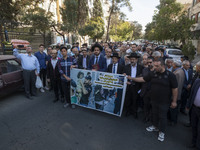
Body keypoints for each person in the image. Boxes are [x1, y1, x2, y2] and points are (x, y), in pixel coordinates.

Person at [128, 58, 178, 142]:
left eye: (157, 66)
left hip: (164, 101)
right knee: (154, 114)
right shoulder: (153, 73)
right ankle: (155, 126)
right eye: (154, 65)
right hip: (154, 99)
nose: (154, 67)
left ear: (162, 66)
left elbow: (175, 89)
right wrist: (131, 78)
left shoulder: (170, 75)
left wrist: (174, 101)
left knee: (162, 116)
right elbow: (143, 79)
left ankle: (161, 132)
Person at [123, 52, 143, 118]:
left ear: (137, 60)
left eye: (134, 59)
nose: (132, 61)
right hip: (128, 86)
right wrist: (125, 77)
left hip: (136, 86)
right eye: (131, 59)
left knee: (135, 100)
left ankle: (134, 112)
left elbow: (141, 78)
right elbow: (123, 76)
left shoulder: (141, 68)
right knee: (128, 100)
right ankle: (127, 112)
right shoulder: (126, 67)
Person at [168, 60, 185, 125]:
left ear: (175, 65)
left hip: (175, 94)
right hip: (178, 93)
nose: (172, 64)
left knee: (173, 109)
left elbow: (175, 86)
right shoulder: (181, 71)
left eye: (173, 64)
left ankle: (173, 121)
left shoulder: (177, 73)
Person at [186, 79, 200, 150]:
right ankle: (193, 142)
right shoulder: (197, 81)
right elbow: (192, 94)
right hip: (194, 108)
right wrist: (188, 105)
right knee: (194, 126)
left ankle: (198, 145)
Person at [140, 57, 154, 123]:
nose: (149, 64)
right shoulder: (145, 70)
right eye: (148, 62)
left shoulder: (156, 70)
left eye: (150, 62)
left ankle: (151, 118)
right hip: (146, 91)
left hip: (154, 92)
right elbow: (143, 78)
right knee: (146, 105)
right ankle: (146, 117)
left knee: (152, 106)